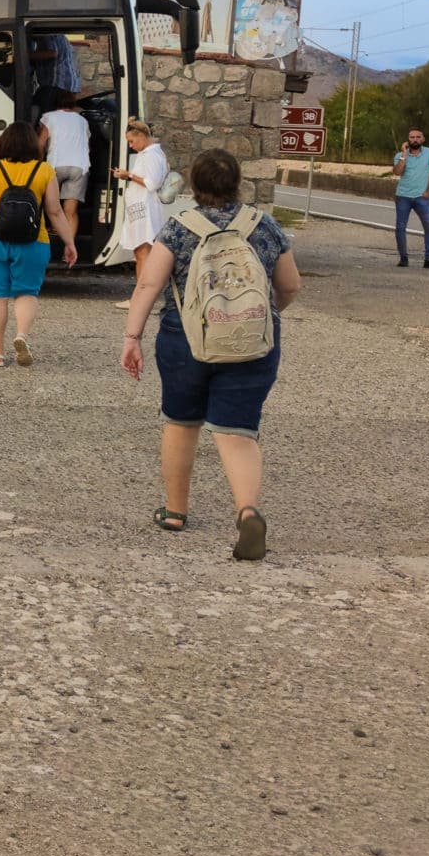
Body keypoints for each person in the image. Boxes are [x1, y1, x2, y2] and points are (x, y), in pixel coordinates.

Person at [120, 148, 301, 562]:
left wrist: (132, 336)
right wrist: (265, 315)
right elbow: (290, 286)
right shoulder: (266, 226)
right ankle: (248, 511)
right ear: (237, 183)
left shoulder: (179, 228)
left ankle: (176, 512)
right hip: (251, 342)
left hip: (185, 339)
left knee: (181, 424)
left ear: (194, 186)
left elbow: (148, 286)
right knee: (237, 432)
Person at [0, 120, 79, 368]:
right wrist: (69, 242)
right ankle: (21, 336)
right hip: (33, 241)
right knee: (26, 293)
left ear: (4, 142)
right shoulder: (44, 171)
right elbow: (55, 212)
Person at [111, 117, 170, 308]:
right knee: (140, 252)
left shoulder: (151, 155)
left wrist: (127, 175)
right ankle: (140, 296)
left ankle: (141, 299)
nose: (131, 145)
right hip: (141, 208)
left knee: (143, 252)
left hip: (145, 209)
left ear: (142, 136)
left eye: (131, 141)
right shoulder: (149, 154)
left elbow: (152, 183)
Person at [36, 87, 90, 244]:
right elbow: (86, 145)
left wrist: (38, 163)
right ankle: (69, 249)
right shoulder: (82, 120)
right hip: (80, 167)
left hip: (56, 166)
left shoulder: (49, 117)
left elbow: (40, 143)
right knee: (71, 212)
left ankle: (52, 235)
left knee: (51, 207)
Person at [392, 128, 429, 269]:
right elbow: (398, 172)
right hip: (403, 196)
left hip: (422, 197)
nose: (414, 140)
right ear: (408, 139)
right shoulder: (400, 155)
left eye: (417, 137)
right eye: (411, 137)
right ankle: (403, 258)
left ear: (423, 139)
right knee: (400, 228)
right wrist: (404, 154)